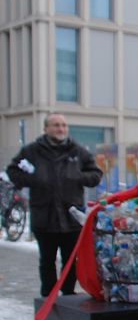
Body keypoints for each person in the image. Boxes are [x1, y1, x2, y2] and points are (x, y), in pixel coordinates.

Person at [6, 113, 102, 296]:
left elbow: (96, 175)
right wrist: (31, 180)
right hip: (44, 216)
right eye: (56, 125)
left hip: (71, 216)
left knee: (71, 260)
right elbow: (13, 170)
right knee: (47, 259)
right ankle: (48, 296)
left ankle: (68, 294)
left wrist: (78, 177)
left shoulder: (78, 151)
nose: (61, 129)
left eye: (64, 125)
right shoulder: (32, 151)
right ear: (46, 129)